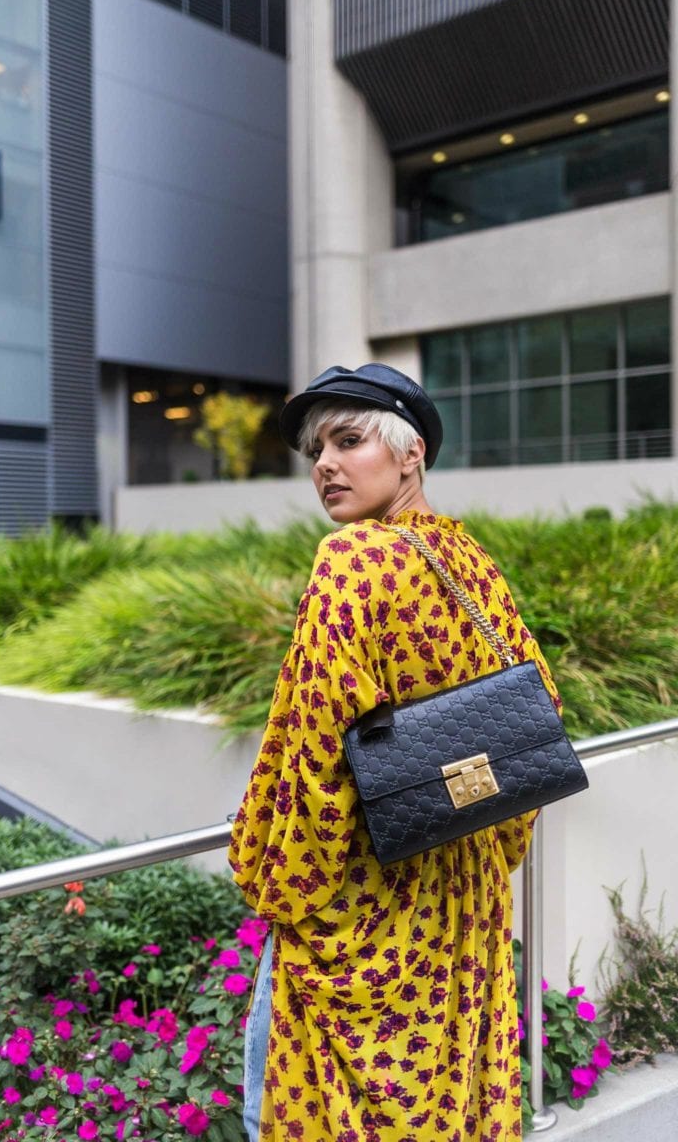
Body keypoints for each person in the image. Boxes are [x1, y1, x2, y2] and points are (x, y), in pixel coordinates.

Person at [228, 363, 563, 1142]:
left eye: (349, 441)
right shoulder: (471, 565)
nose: (325, 465)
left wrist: (270, 877)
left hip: (365, 910)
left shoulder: (352, 561)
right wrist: (482, 840)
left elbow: (311, 753)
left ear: (411, 454)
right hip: (464, 899)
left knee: (303, 1103)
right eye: (318, 450)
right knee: (446, 1103)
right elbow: (535, 716)